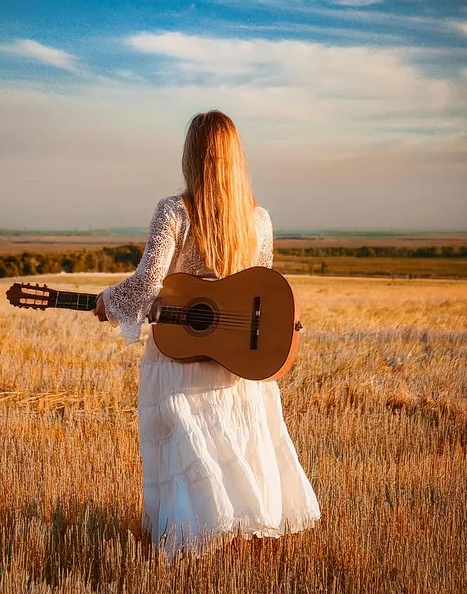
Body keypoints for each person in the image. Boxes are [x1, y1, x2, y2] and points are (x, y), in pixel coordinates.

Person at [93, 110, 320, 558]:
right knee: (238, 448)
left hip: (179, 362)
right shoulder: (259, 220)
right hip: (239, 361)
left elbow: (146, 283)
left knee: (188, 457)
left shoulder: (173, 212)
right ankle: (235, 541)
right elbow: (261, 288)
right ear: (237, 159)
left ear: (190, 157)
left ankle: (193, 543)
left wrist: (107, 299)